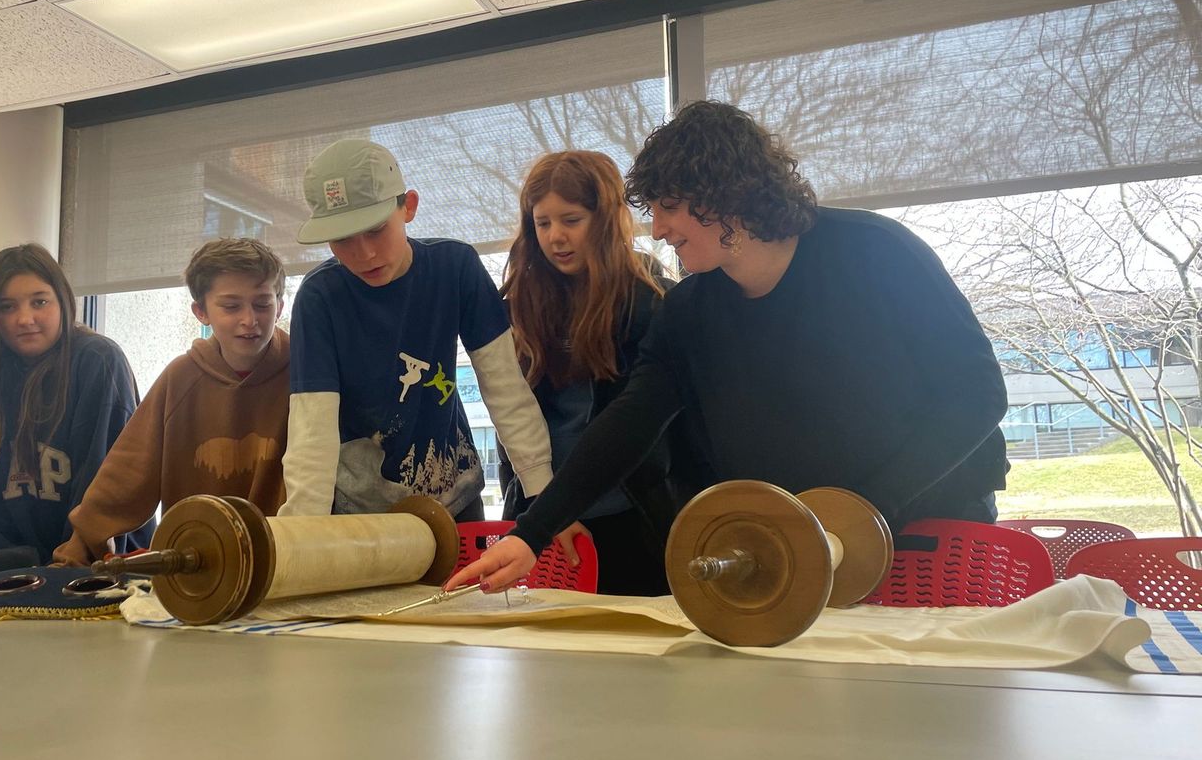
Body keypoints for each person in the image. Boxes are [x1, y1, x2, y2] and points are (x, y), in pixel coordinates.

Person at [449, 101, 1009, 593]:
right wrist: (531, 533)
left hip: (929, 524)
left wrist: (869, 507)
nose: (659, 228)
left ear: (724, 195)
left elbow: (977, 394)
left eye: (670, 206)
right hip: (803, 537)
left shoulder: (876, 252)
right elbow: (628, 425)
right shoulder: (690, 311)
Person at [279, 139, 553, 522]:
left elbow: (504, 385)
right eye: (342, 239)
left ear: (408, 207)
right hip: (363, 512)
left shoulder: (455, 267)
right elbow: (312, 430)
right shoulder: (319, 297)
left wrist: (544, 494)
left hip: (453, 498)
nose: (364, 253)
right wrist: (304, 532)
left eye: (375, 230)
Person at [498, 150, 675, 595]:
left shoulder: (649, 302)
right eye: (542, 223)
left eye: (571, 220)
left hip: (635, 517)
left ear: (607, 219)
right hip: (545, 519)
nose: (556, 237)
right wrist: (540, 509)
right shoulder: (518, 304)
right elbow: (513, 419)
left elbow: (638, 427)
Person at [54, 238, 291, 565]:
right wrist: (76, 552)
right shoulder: (181, 378)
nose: (249, 320)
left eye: (262, 304)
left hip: (284, 560)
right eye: (231, 306)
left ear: (279, 306)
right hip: (199, 561)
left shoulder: (307, 372)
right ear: (201, 312)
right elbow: (125, 474)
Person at [0, 244, 149, 560]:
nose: (25, 318)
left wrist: (77, 553)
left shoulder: (98, 360)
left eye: (39, 301)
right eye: (7, 307)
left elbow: (108, 481)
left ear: (63, 302)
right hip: (11, 573)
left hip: (97, 566)